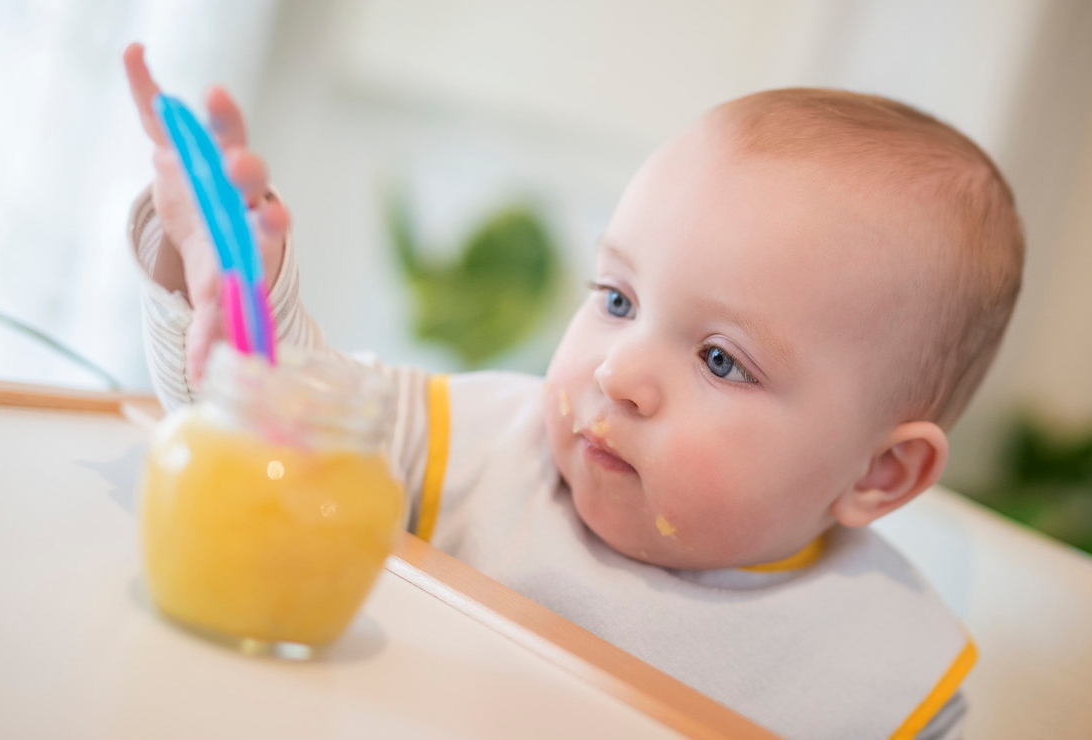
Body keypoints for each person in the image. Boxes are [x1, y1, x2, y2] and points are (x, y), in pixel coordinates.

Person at [122, 42, 1023, 740]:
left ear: (882, 472)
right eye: (618, 300)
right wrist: (219, 279)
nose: (617, 374)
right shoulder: (479, 449)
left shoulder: (881, 667)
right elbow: (272, 414)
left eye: (719, 360)